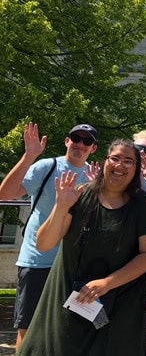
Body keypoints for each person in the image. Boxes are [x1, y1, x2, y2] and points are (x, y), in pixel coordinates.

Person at [17, 139, 146, 355]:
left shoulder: (144, 206)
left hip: (119, 308)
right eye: (115, 158)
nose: (120, 165)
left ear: (137, 168)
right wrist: (61, 206)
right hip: (67, 300)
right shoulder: (79, 194)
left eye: (128, 161)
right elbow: (45, 243)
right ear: (105, 161)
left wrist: (106, 284)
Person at [0, 122, 98, 350]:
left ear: (93, 148)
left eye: (87, 141)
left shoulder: (95, 177)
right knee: (28, 330)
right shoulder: (47, 167)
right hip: (37, 262)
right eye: (76, 138)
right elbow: (5, 194)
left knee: (67, 333)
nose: (80, 144)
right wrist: (28, 156)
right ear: (67, 141)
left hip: (72, 267)